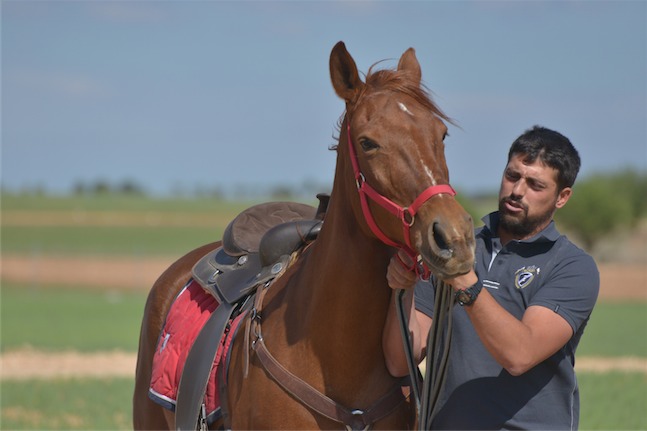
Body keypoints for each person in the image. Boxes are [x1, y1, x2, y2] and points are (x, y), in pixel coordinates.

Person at [382, 126, 600, 430]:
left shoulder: (572, 266)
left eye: (535, 185)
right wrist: (402, 291)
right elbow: (400, 360)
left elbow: (519, 355)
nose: (517, 191)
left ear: (562, 197)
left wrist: (464, 281)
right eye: (512, 176)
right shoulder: (454, 249)